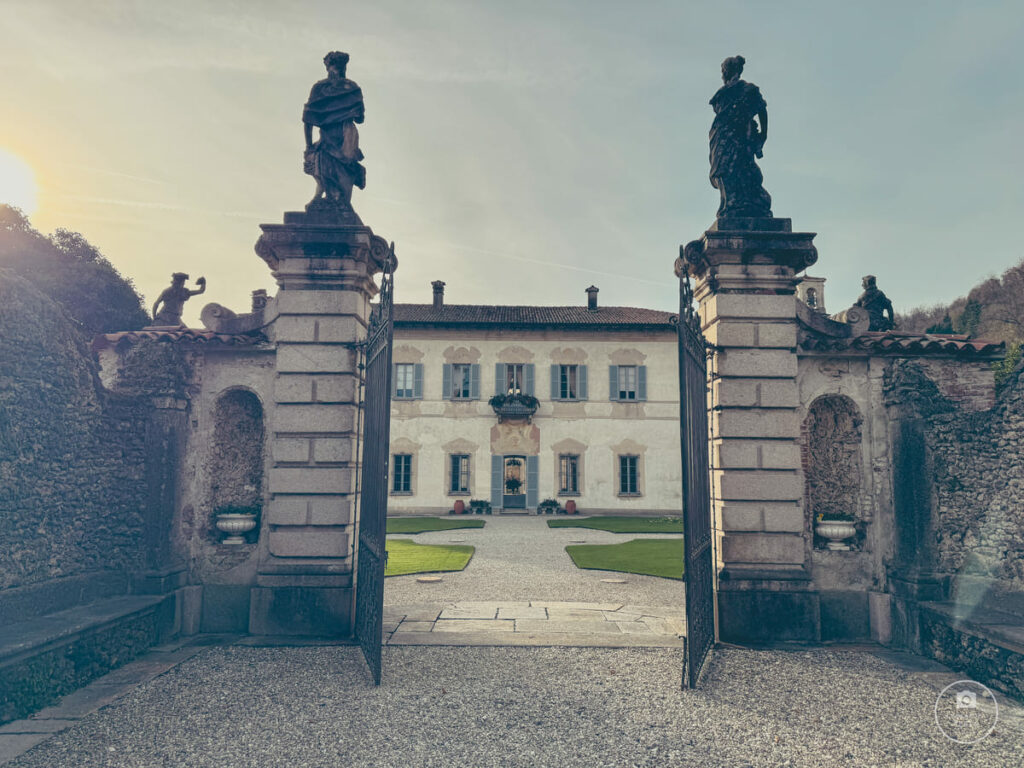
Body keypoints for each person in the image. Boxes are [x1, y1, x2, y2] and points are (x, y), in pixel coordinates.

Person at [709, 55, 773, 218]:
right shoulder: (721, 94)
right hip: (722, 137)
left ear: (729, 71)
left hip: (741, 137)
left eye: (723, 71)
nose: (722, 75)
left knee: (741, 168)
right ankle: (728, 204)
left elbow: (762, 109)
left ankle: (743, 205)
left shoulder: (748, 90)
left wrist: (763, 135)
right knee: (723, 170)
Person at [303, 51, 366, 206]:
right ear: (344, 67)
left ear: (327, 67)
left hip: (333, 134)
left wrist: (308, 145)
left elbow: (308, 119)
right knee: (338, 168)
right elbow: (360, 118)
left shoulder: (319, 88)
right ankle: (335, 201)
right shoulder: (352, 88)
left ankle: (332, 200)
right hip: (345, 133)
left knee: (325, 166)